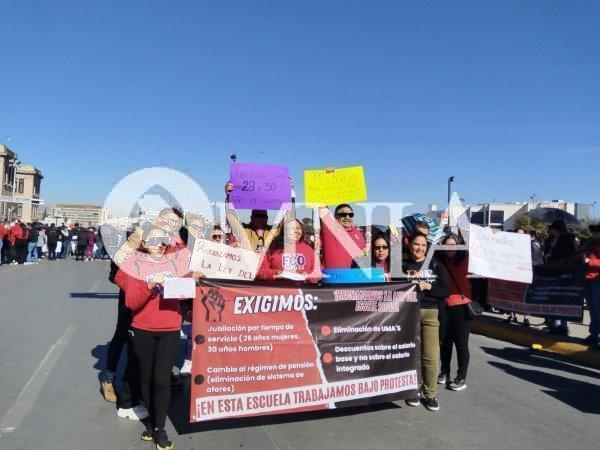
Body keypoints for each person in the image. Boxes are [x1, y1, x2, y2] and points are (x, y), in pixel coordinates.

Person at [115, 225, 197, 450]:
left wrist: (193, 279)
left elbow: (190, 286)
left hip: (169, 329)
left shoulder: (174, 262)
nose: (160, 244)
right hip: (142, 330)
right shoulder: (135, 264)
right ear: (144, 243)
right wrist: (150, 285)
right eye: (154, 240)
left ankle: (159, 428)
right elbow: (131, 302)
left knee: (161, 381)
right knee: (145, 380)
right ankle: (150, 424)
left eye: (163, 240)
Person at [403, 232, 450, 411]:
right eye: (416, 244)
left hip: (431, 313)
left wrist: (428, 286)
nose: (419, 248)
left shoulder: (436, 265)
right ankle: (413, 391)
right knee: (411, 355)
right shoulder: (402, 265)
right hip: (408, 313)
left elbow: (446, 291)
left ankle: (430, 394)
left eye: (423, 245)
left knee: (430, 355)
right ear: (410, 245)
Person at [438, 233, 471, 391]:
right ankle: (444, 372)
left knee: (461, 344)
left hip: (462, 307)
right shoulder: (439, 260)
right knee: (445, 343)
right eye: (446, 245)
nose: (450, 248)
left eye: (453, 245)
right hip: (444, 306)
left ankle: (461, 377)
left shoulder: (466, 259)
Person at [224, 181, 287, 252]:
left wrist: (290, 192)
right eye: (257, 216)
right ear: (252, 218)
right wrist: (230, 197)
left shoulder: (274, 231)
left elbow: (287, 218)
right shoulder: (244, 230)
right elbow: (232, 218)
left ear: (267, 218)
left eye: (264, 216)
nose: (261, 219)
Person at [257, 218, 321, 282]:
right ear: (284, 231)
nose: (296, 231)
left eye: (298, 228)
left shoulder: (309, 250)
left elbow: (318, 271)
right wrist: (275, 273)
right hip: (277, 289)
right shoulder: (272, 248)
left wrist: (308, 275)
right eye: (292, 228)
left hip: (302, 289)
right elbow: (260, 271)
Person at [319, 203, 367, 269]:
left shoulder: (359, 233)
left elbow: (365, 257)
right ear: (335, 216)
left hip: (355, 277)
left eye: (350, 214)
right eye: (343, 214)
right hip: (333, 278)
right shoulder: (329, 229)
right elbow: (322, 207)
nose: (347, 217)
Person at [584, 224, 600, 347]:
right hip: (590, 279)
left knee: (597, 310)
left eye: (595, 232)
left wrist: (590, 261)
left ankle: (596, 335)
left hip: (596, 280)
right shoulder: (592, 243)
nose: (593, 235)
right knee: (593, 310)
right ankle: (594, 334)